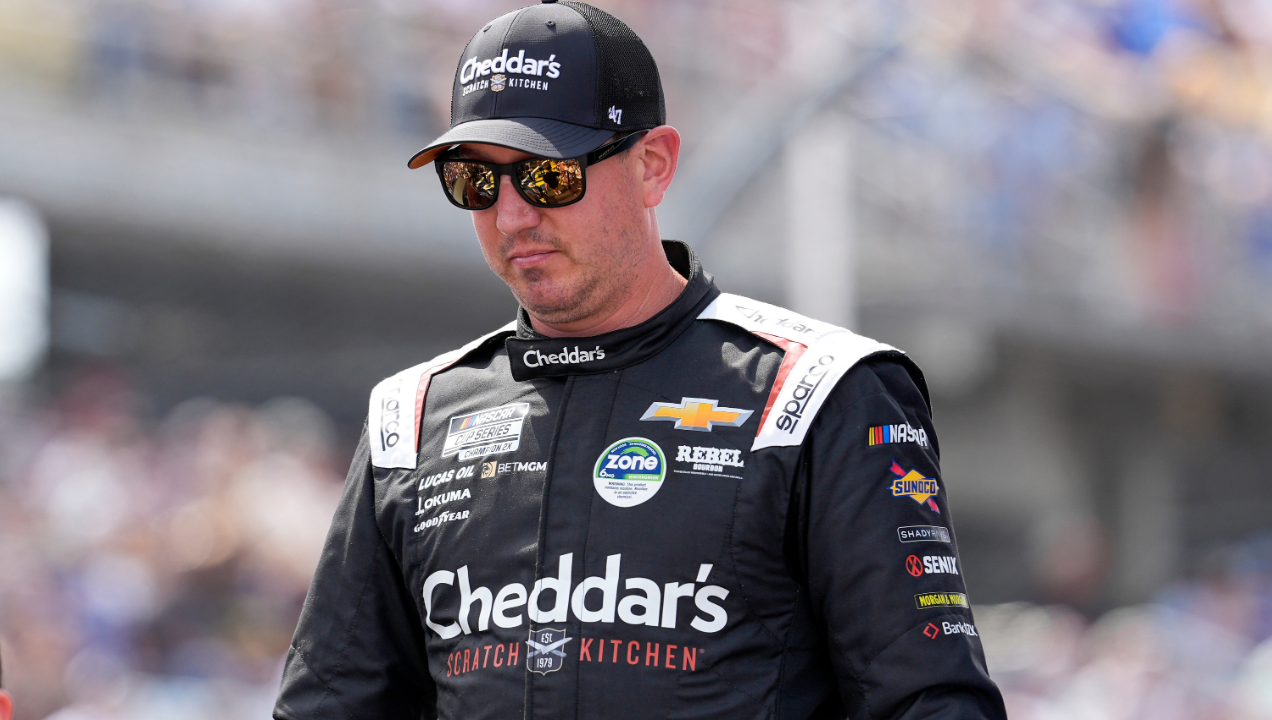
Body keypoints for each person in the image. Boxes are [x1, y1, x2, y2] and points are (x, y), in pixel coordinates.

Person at [274, 2, 1006, 718]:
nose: (511, 214)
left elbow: (931, 700)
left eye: (547, 175)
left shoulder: (818, 394)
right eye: (476, 179)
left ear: (653, 167)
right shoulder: (411, 419)